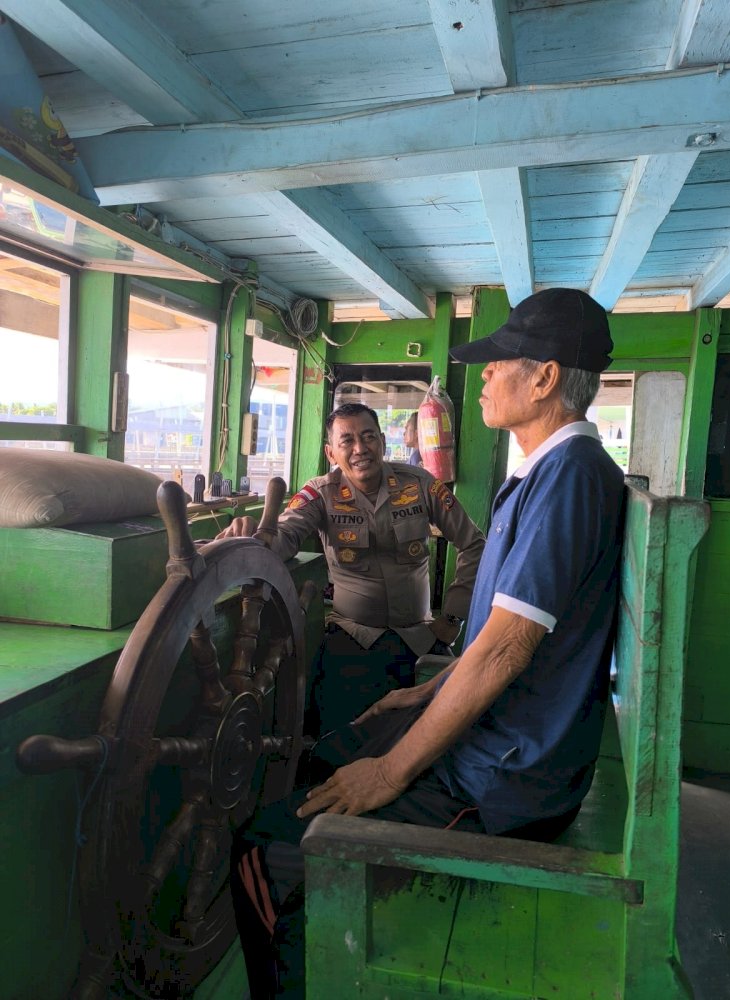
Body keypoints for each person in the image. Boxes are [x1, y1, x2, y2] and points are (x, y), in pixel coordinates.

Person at [231, 287, 625, 998]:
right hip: (501, 742)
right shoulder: (544, 475)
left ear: (542, 379)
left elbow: (506, 650)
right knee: (331, 751)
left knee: (264, 848)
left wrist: (390, 775)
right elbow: (505, 639)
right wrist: (432, 686)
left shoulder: (567, 477)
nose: (483, 376)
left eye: (500, 362)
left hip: (504, 777)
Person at [218, 402, 484, 734]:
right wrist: (252, 535)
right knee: (336, 736)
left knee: (431, 735)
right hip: (351, 637)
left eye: (368, 437)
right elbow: (284, 539)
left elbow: (474, 543)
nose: (360, 449)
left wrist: (452, 619)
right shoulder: (320, 492)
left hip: (419, 637)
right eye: (347, 441)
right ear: (331, 452)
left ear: (383, 442)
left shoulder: (419, 484)